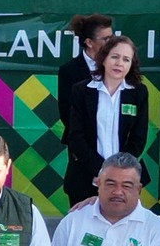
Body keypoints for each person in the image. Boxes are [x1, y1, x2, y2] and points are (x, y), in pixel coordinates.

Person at [62, 33, 151, 205]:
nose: (119, 63)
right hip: (85, 176)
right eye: (115, 57)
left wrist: (117, 173)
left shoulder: (139, 93)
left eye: (126, 59)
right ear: (103, 59)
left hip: (124, 178)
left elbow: (138, 139)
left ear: (131, 64)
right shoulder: (81, 91)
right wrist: (102, 171)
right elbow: (76, 138)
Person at [55, 13, 114, 151]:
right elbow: (67, 113)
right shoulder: (69, 70)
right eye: (106, 39)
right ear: (89, 42)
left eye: (112, 38)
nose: (112, 43)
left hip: (115, 141)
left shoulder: (118, 67)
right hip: (82, 145)